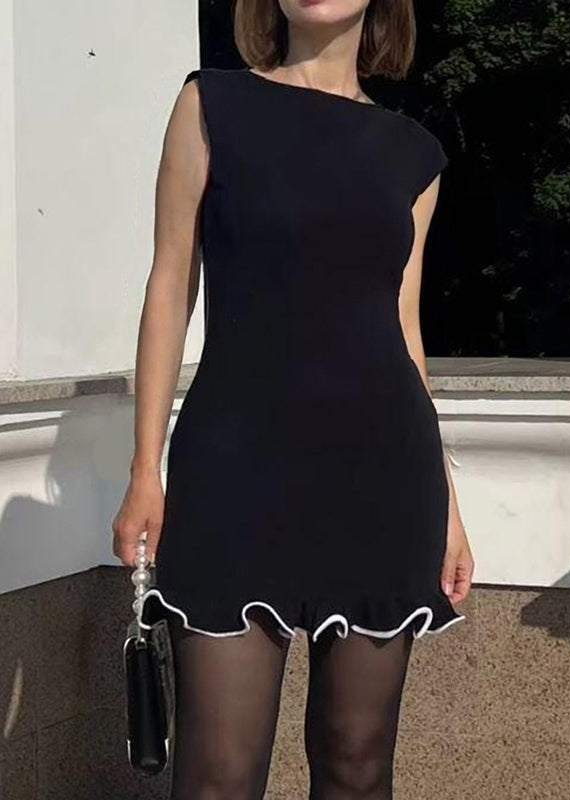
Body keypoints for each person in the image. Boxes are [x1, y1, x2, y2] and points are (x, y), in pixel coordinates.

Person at [112, 0, 474, 797]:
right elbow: (170, 284)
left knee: (356, 765)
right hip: (234, 470)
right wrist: (144, 469)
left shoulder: (414, 155)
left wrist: (449, 506)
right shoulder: (211, 103)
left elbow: (403, 331)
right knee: (217, 774)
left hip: (383, 478)